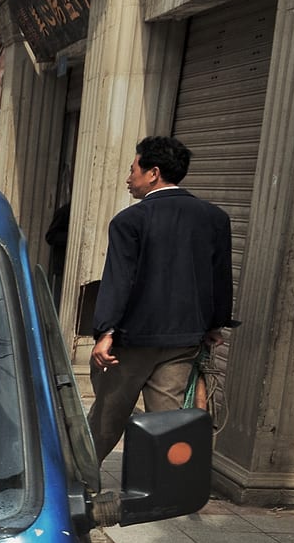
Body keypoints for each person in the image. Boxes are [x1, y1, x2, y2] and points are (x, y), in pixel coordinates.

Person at [87, 136, 232, 461]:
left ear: (153, 173)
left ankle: (77, 482)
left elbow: (119, 280)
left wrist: (106, 331)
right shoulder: (214, 218)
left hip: (132, 341)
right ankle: (161, 492)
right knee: (166, 423)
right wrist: (214, 325)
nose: (128, 178)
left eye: (132, 169)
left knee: (107, 420)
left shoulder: (130, 221)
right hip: (183, 341)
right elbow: (220, 277)